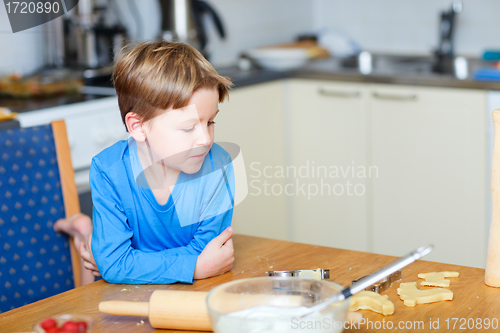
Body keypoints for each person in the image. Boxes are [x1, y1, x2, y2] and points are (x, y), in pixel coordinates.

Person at [70, 41, 236, 284]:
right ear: (138, 127)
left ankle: (87, 230)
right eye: (189, 127)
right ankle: (81, 227)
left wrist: (124, 263)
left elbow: (208, 253)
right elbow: (201, 262)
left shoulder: (218, 166)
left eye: (210, 122)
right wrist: (194, 268)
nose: (205, 139)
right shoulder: (108, 170)